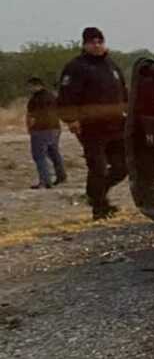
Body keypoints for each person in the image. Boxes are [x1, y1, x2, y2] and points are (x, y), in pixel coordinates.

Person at [57, 28, 128, 220]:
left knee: (123, 167)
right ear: (85, 44)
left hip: (116, 126)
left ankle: (95, 194)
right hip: (91, 128)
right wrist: (71, 120)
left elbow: (123, 91)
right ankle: (99, 208)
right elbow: (66, 96)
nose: (97, 45)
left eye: (100, 41)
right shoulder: (76, 67)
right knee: (98, 168)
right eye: (92, 42)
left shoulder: (111, 65)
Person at [25, 77, 67, 189]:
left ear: (37, 85)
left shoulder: (35, 99)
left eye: (30, 86)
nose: (29, 89)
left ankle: (45, 181)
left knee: (39, 155)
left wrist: (30, 128)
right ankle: (61, 176)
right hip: (55, 128)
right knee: (54, 153)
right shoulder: (52, 96)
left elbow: (30, 116)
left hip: (41, 129)